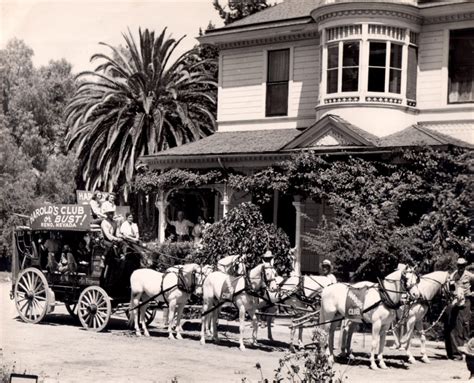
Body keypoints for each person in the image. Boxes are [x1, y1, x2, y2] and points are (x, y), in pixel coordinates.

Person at [445, 257, 474, 360]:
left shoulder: (470, 276)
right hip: (456, 301)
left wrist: (472, 293)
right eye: (459, 266)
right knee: (455, 326)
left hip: (466, 301)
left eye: (462, 266)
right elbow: (450, 286)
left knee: (465, 324)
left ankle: (467, 350)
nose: (460, 268)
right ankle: (455, 352)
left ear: (465, 266)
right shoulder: (453, 275)